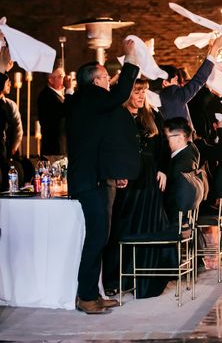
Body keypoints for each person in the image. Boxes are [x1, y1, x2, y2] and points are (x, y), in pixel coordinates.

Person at [66, 39, 138, 315]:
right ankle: (85, 295)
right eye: (106, 77)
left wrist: (115, 172)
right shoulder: (88, 98)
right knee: (96, 238)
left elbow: (104, 143)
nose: (110, 82)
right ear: (95, 82)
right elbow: (120, 95)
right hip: (90, 180)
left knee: (101, 237)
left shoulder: (92, 103)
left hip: (99, 177)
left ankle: (92, 292)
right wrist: (130, 60)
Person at [102, 79, 172, 298]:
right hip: (127, 180)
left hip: (150, 180)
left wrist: (163, 169)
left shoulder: (152, 117)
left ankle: (143, 277)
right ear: (126, 94)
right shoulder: (117, 116)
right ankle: (115, 278)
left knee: (148, 227)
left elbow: (164, 147)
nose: (142, 97)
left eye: (144, 92)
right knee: (122, 228)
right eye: (137, 92)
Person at [158, 35, 222, 124]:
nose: (178, 84)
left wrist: (211, 50)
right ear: (165, 83)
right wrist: (215, 48)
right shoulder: (174, 97)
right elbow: (199, 79)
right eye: (175, 80)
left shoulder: (159, 96)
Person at [163, 117, 203, 226]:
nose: (165, 141)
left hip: (172, 220)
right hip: (184, 218)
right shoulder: (191, 152)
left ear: (180, 138)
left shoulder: (180, 164)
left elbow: (169, 199)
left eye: (167, 137)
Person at [37, 66, 72, 157]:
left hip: (63, 148)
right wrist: (68, 90)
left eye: (64, 76)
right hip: (54, 149)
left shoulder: (58, 95)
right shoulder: (47, 96)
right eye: (61, 76)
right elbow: (65, 110)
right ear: (51, 80)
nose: (64, 80)